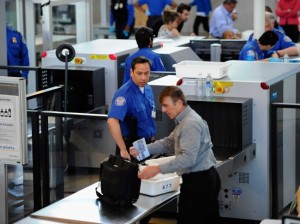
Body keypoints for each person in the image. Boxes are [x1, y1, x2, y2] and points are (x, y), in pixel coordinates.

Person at [129, 86, 221, 224]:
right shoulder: (184, 120)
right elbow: (169, 143)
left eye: (166, 105)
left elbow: (187, 159)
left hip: (199, 182)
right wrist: (143, 150)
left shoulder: (190, 123)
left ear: (179, 103)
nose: (164, 110)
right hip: (203, 179)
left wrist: (157, 169)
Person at [107, 56, 156, 161]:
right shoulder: (124, 93)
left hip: (146, 143)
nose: (143, 77)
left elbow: (150, 115)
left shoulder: (148, 89)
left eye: (146, 73)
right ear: (131, 72)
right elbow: (112, 121)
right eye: (139, 73)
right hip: (131, 145)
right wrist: (123, 149)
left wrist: (151, 136)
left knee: (145, 174)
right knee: (132, 175)